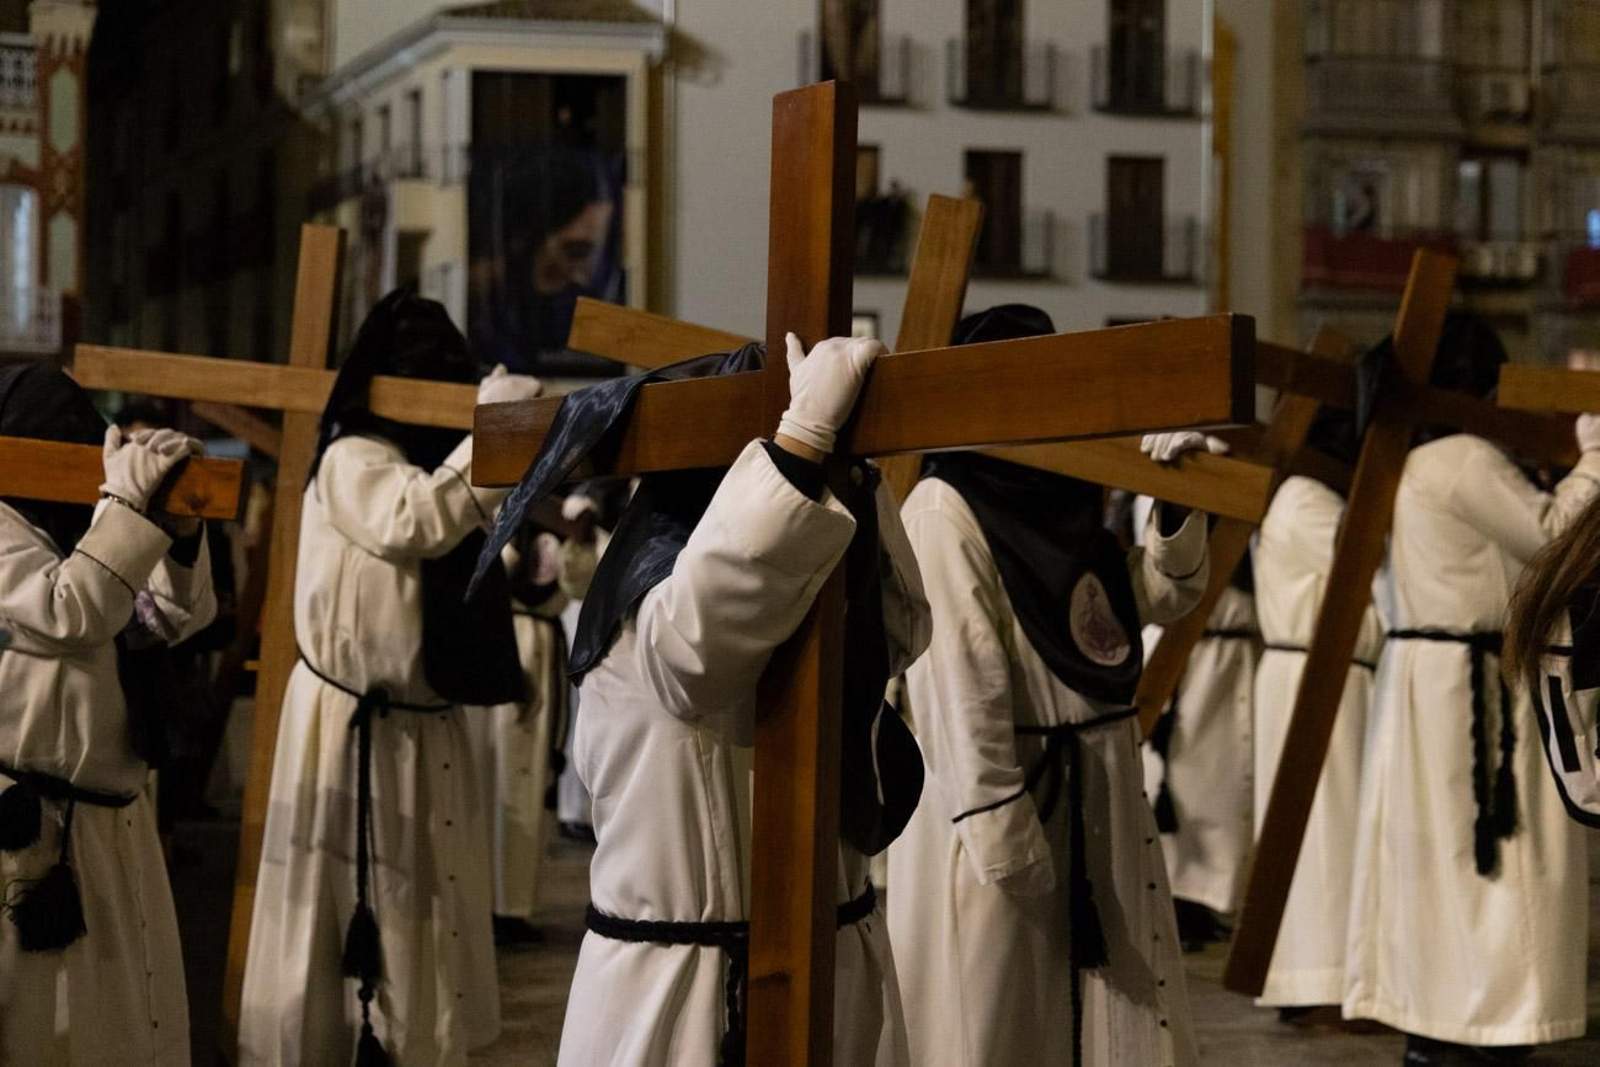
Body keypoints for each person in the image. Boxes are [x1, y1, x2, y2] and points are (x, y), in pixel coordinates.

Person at [470, 332, 930, 1065]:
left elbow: (903, 630)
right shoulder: (651, 595)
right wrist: (801, 443)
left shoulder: (795, 563)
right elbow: (699, 651)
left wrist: (857, 478)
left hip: (826, 961)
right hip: (685, 994)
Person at [886, 304, 1212, 1067]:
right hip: (1012, 818)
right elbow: (963, 693)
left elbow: (1143, 601)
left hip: (1091, 797)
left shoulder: (1065, 494)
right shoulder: (943, 509)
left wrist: (1175, 498)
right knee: (1000, 1026)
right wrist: (1014, 853)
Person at [237, 291, 543, 1066]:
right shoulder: (352, 459)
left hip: (421, 722)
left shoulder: (410, 462)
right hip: (352, 731)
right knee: (353, 913)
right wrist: (492, 436)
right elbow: (415, 518)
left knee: (426, 913)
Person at [1342, 313, 1600, 1065]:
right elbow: (1552, 536)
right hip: (1472, 687)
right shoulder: (1460, 456)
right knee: (1495, 866)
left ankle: (1439, 1016)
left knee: (1441, 866)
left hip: (1428, 685)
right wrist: (1594, 459)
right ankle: (1490, 1021)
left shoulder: (1406, 461)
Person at [0, 365, 216, 1065]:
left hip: (115, 818)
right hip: (30, 830)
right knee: (40, 1026)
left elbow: (173, 618)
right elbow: (69, 609)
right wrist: (126, 500)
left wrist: (178, 530)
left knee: (121, 1022)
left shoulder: (84, 518)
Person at [1249, 409, 1382, 1019]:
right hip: (1318, 675)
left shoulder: (1296, 495)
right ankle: (1319, 984)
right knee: (1324, 834)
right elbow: (1370, 585)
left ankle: (1314, 981)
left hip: (1315, 675)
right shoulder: (1309, 502)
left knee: (1326, 833)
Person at [463, 499, 599, 946]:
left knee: (526, 783)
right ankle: (483, 902)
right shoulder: (505, 506)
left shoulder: (563, 516)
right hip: (500, 644)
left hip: (539, 648)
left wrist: (575, 533)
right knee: (489, 779)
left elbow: (579, 582)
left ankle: (512, 906)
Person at [1145, 558, 1259, 952]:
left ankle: (1216, 901)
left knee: (1229, 784)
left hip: (1239, 650)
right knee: (1191, 777)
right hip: (1195, 652)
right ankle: (1184, 898)